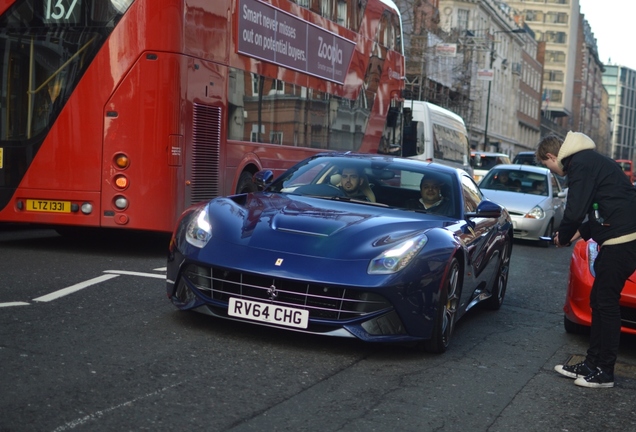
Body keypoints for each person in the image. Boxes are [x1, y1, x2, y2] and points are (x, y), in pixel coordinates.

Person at [536, 131, 636, 389]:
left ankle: (605, 372)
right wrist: (574, 235)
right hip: (619, 236)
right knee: (599, 301)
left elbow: (575, 210)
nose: (554, 172)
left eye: (548, 166)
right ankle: (592, 364)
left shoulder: (580, 164)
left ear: (551, 156)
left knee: (606, 303)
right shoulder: (589, 161)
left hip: (623, 240)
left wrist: (563, 234)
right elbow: (597, 212)